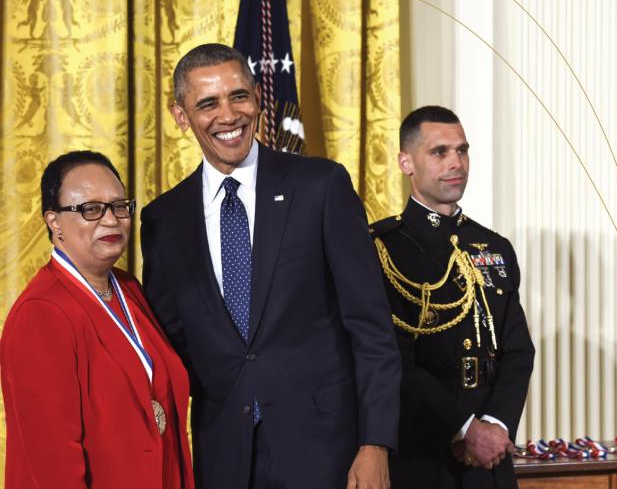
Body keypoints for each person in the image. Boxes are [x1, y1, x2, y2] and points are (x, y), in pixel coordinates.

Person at [140, 43, 401, 489]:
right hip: (224, 456)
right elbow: (171, 347)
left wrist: (375, 444)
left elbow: (372, 330)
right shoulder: (163, 219)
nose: (228, 115)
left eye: (239, 96)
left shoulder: (320, 186)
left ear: (258, 98)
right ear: (181, 116)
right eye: (207, 103)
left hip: (328, 453)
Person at [0, 151, 195, 489]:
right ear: (54, 220)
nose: (111, 220)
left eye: (119, 206)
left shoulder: (129, 289)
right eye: (90, 209)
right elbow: (53, 465)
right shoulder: (40, 315)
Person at [369, 106, 535, 489]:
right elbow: (393, 360)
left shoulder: (493, 247)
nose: (456, 162)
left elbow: (519, 351)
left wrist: (494, 425)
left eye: (462, 150)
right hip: (422, 453)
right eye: (439, 152)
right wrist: (465, 428)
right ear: (406, 162)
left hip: (489, 459)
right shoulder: (380, 249)